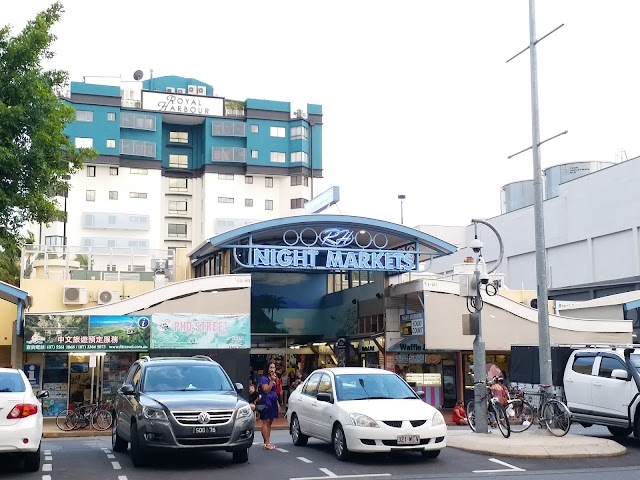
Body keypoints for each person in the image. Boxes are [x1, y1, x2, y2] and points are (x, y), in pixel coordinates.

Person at [258, 362, 279, 450]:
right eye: (270, 367)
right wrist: (272, 381)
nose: (272, 369)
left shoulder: (274, 378)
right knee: (266, 421)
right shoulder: (264, 378)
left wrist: (277, 403)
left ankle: (268, 441)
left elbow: (275, 390)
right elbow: (266, 390)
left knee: (270, 421)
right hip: (266, 400)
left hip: (273, 400)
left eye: (273, 368)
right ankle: (266, 442)